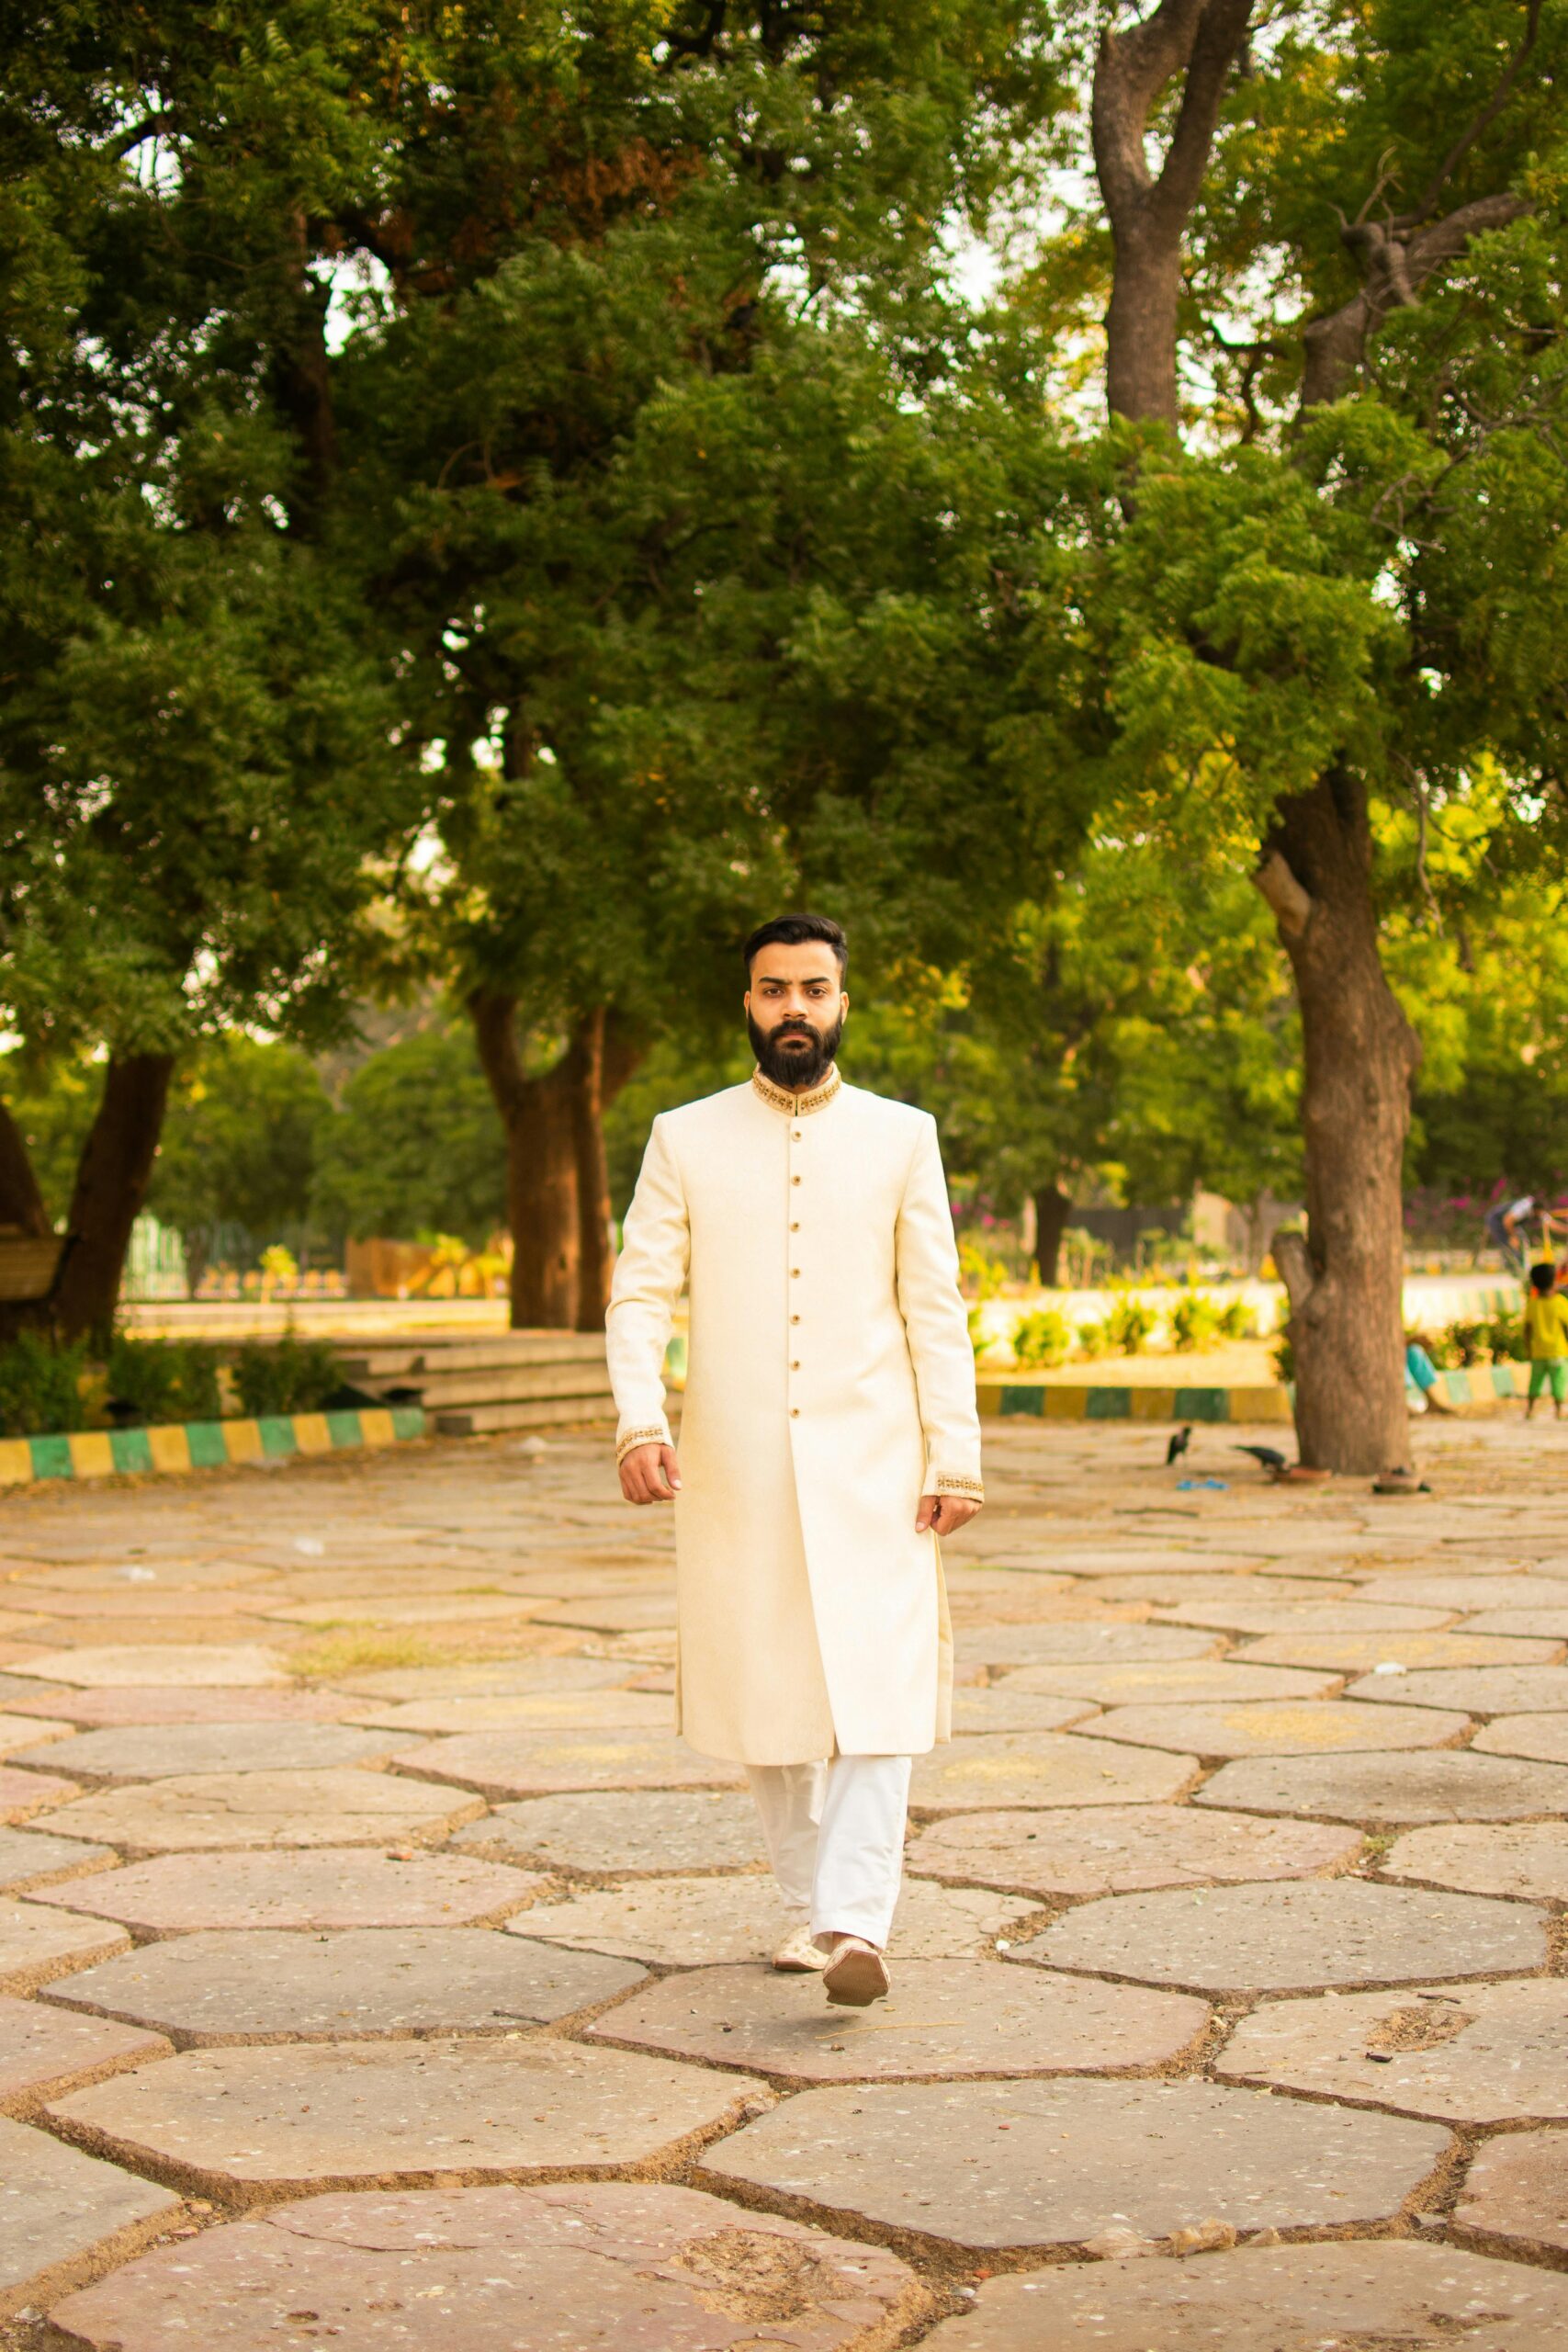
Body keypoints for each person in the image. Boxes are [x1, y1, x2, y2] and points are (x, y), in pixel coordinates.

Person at [606, 913, 983, 2007]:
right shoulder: (686, 1136)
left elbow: (934, 1307)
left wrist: (954, 1451)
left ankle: (857, 1921)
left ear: (842, 1005)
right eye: (774, 992)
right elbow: (640, 1293)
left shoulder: (902, 1136)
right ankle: (809, 1906)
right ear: (749, 1005)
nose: (794, 1011)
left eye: (814, 991)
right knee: (766, 1698)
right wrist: (642, 1419)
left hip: (879, 1463)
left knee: (882, 1689)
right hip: (738, 1470)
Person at [1524, 1261, 1568, 1421]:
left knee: (1535, 1382)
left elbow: (1527, 1329)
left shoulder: (1532, 1304)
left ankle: (1530, 1409)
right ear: (1554, 1282)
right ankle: (1559, 1410)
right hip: (1558, 1351)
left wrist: (1528, 1348)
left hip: (1538, 1352)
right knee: (1559, 1382)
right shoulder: (1560, 1303)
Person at [1485, 1192, 1542, 1276]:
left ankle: (1524, 1267)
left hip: (1511, 1223)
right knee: (1508, 1245)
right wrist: (1513, 1237)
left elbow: (1550, 1222)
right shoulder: (1523, 1208)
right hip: (1498, 1221)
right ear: (1535, 1210)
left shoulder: (1535, 1209)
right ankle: (1514, 1270)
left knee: (1523, 1241)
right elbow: (1507, 1220)